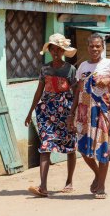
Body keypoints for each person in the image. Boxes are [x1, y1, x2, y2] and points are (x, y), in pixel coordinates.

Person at [67, 33, 110, 199]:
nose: (95, 49)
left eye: (98, 46)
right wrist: (72, 113)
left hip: (104, 112)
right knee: (83, 149)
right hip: (84, 113)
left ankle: (101, 187)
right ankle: (98, 174)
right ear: (88, 47)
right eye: (92, 46)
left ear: (102, 47)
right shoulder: (82, 66)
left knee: (103, 148)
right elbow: (78, 91)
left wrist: (109, 82)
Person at [25, 33, 78, 197]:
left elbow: (76, 93)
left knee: (70, 147)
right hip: (47, 113)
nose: (56, 52)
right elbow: (39, 91)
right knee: (46, 145)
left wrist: (74, 114)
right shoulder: (45, 69)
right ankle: (43, 186)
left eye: (59, 49)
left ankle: (69, 182)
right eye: (53, 49)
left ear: (63, 51)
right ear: (49, 50)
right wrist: (29, 112)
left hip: (65, 112)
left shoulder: (70, 70)